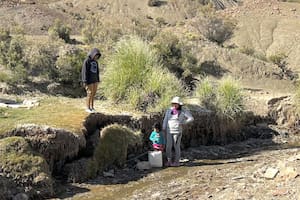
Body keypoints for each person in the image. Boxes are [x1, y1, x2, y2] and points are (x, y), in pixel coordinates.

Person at [162, 96, 194, 167]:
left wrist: (183, 122)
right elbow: (165, 119)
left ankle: (176, 162)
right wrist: (164, 127)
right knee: (168, 146)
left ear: (179, 104)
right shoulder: (169, 110)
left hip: (177, 131)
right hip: (169, 130)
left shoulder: (184, 111)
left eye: (176, 104)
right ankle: (169, 161)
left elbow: (191, 118)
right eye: (173, 103)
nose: (174, 105)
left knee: (176, 146)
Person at [81, 48, 101, 113]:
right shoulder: (87, 61)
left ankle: (92, 107)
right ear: (93, 54)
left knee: (93, 94)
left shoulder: (96, 62)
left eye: (97, 56)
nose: (96, 57)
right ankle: (88, 108)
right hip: (89, 81)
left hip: (95, 80)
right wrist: (84, 81)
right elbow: (84, 71)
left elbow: (97, 71)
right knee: (89, 93)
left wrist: (98, 80)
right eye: (95, 56)